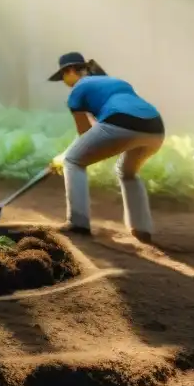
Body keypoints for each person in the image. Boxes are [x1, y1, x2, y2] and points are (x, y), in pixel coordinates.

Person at [48, 51, 164, 243]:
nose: (64, 81)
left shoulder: (77, 90)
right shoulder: (115, 81)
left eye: (63, 76)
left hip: (121, 123)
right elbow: (99, 129)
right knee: (127, 172)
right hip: (155, 128)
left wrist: (62, 157)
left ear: (69, 71)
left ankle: (78, 223)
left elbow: (84, 134)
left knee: (73, 161)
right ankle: (141, 228)